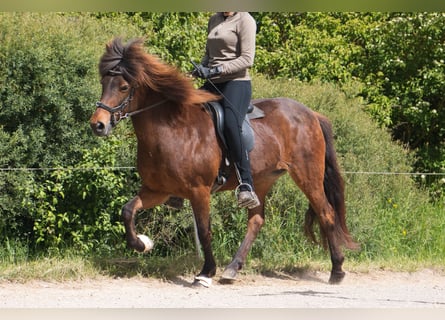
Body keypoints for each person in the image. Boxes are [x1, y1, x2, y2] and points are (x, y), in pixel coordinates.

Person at [193, 12, 260, 209]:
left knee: (231, 124)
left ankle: (246, 184)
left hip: (236, 83)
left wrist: (216, 70)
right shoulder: (214, 19)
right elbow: (209, 55)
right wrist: (201, 68)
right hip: (212, 83)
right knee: (184, 113)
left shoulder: (245, 20)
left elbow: (247, 59)